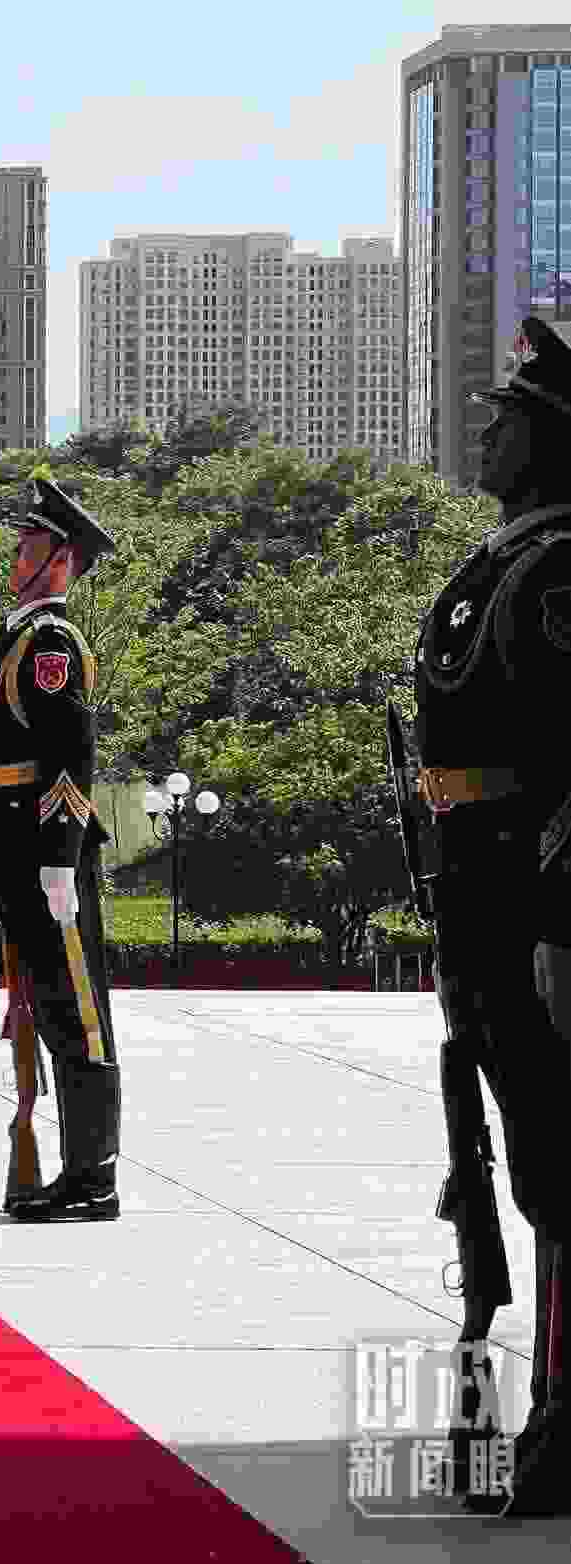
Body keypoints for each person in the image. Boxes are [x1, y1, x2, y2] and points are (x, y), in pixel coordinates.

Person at [414, 315, 571, 1513]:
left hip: (535, 895)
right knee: (527, 1160)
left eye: (509, 417)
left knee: (563, 1167)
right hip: (482, 893)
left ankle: (560, 1420)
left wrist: (560, 921)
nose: (487, 432)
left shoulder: (558, 570)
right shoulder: (506, 562)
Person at [0, 477, 118, 1222]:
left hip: (45, 852)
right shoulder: (15, 639)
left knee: (75, 1012)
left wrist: (60, 855)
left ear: (61, 561)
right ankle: (71, 1169)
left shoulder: (50, 642)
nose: (16, 556)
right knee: (45, 1009)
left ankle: (93, 1176)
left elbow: (69, 758)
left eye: (31, 546)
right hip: (15, 847)